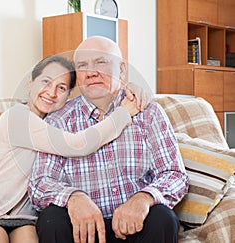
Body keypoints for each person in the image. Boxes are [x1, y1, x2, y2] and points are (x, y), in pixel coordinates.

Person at [0, 55, 144, 243]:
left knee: (29, 236)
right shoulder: (16, 118)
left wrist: (133, 89)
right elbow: (77, 144)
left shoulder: (55, 124)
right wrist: (123, 113)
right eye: (46, 81)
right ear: (31, 83)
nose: (52, 92)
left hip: (21, 219)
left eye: (62, 87)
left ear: (68, 96)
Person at [28, 36, 189, 243]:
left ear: (122, 69)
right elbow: (40, 182)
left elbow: (175, 174)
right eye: (83, 65)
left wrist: (144, 199)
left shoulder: (148, 112)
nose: (91, 72)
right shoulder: (58, 120)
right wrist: (73, 197)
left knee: (163, 218)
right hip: (82, 230)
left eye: (101, 62)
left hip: (136, 226)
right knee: (51, 220)